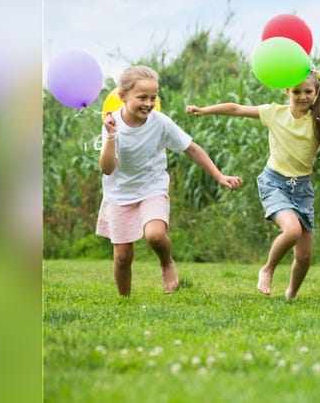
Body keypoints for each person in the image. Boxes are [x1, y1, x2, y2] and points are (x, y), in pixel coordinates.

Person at [186, 72, 320, 300]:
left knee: (304, 256)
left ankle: (291, 293)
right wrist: (205, 110)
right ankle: (268, 268)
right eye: (296, 91)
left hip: (301, 189)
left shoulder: (318, 117)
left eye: (308, 92)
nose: (302, 97)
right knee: (291, 231)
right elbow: (236, 108)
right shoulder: (275, 113)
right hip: (274, 183)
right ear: (286, 91)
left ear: (316, 93)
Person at [97, 65, 243, 296]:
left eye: (153, 98)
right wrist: (112, 136)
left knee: (155, 235)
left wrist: (219, 175)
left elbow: (191, 148)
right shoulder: (112, 124)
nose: (148, 103)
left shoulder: (160, 122)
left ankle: (167, 262)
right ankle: (124, 300)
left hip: (152, 187)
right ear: (123, 97)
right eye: (142, 97)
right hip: (120, 193)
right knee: (122, 256)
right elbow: (107, 168)